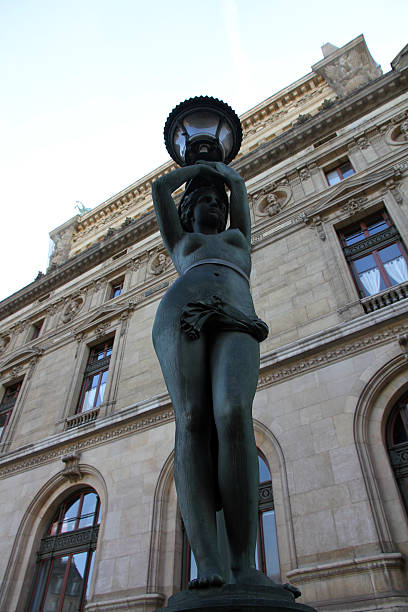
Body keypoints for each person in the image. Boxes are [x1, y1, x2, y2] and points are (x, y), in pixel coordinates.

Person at [152, 160, 271, 589]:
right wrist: (198, 165)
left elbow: (238, 185)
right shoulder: (182, 240)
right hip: (183, 314)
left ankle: (245, 564)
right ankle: (209, 565)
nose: (214, 208)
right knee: (191, 420)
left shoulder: (239, 239)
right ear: (189, 211)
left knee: (234, 412)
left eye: (217, 203)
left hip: (238, 315)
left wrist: (223, 173)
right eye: (204, 201)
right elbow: (161, 190)